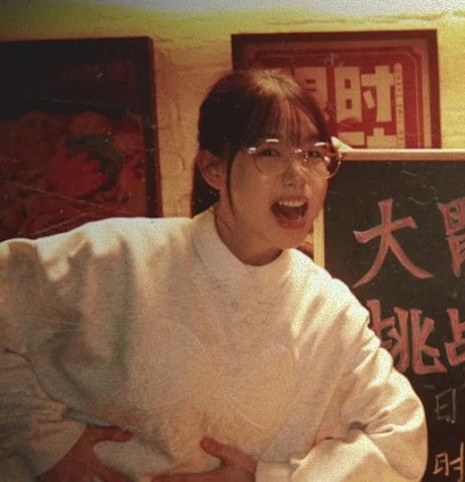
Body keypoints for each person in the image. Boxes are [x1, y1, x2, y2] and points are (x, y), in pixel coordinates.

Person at [0, 68, 427, 481]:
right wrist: (47, 442)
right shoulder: (121, 258)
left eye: (313, 154)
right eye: (270, 152)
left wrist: (272, 479)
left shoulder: (328, 311)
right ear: (213, 169)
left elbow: (402, 438)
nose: (298, 176)